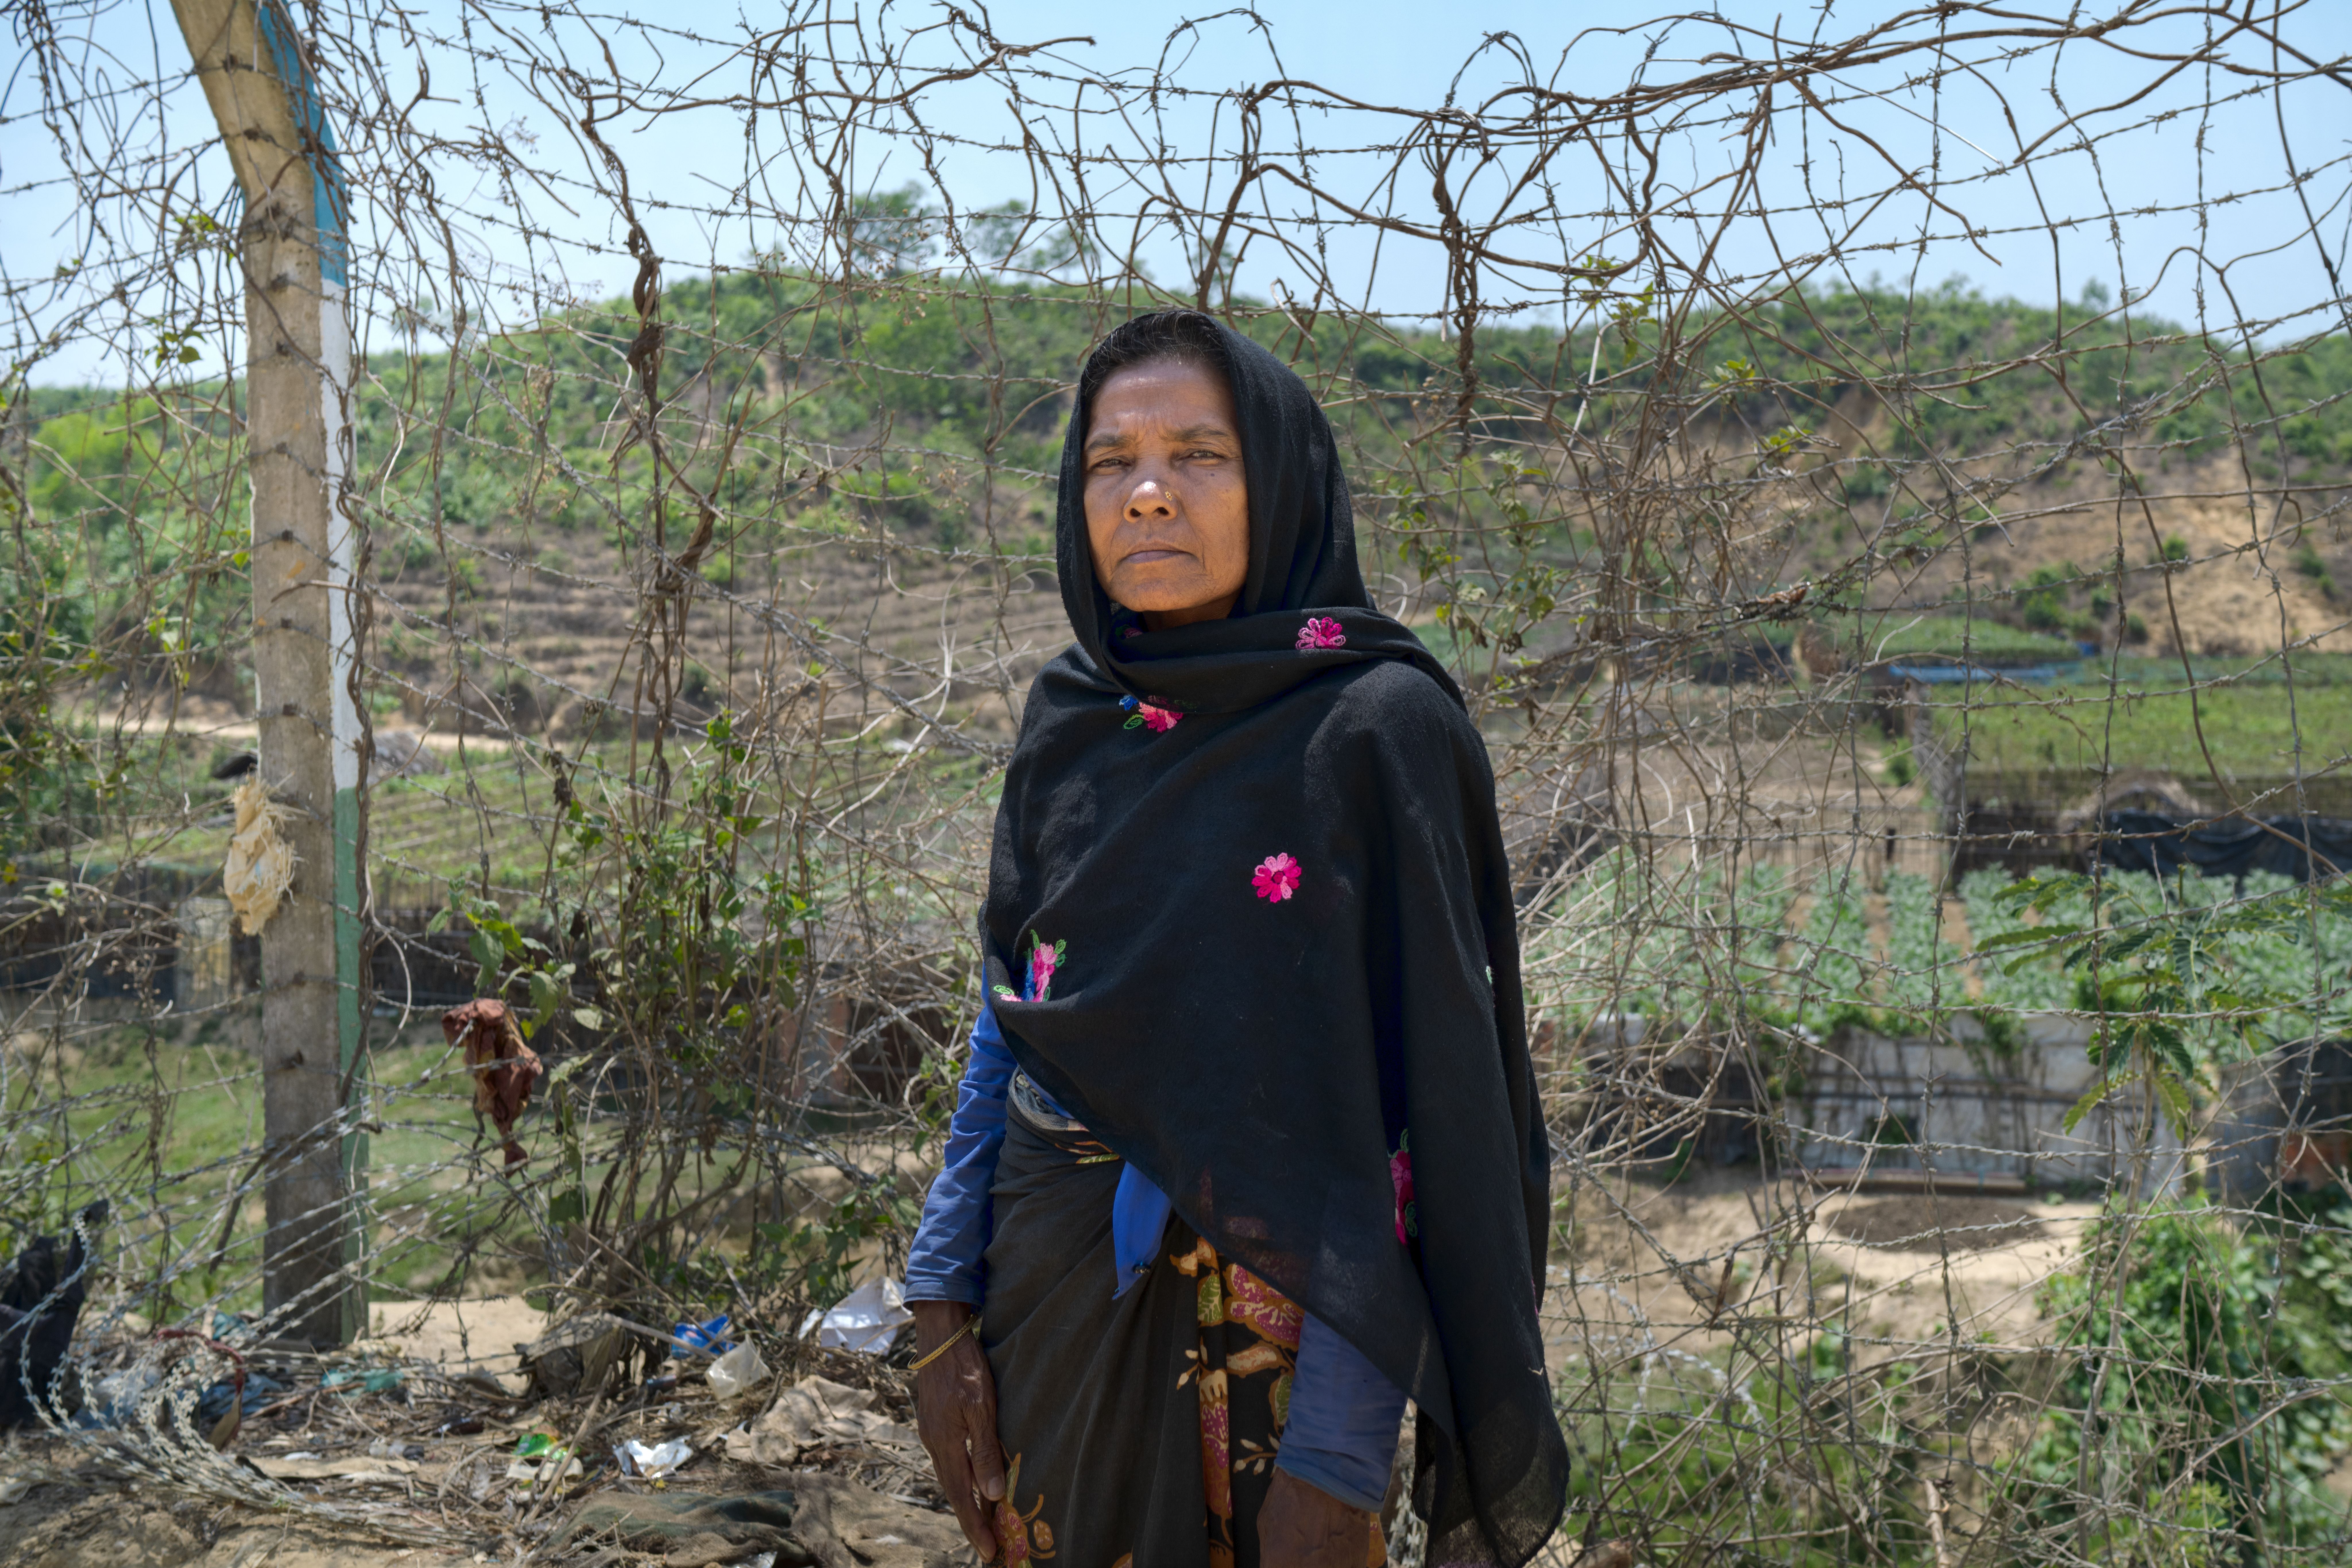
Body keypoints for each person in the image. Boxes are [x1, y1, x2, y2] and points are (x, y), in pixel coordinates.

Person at [903, 309, 1565, 1568]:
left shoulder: (1376, 732)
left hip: (1291, 1367)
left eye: (1198, 455)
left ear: (1283, 483)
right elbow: (1018, 1011)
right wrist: (940, 1298)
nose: (1147, 494)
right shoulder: (1074, 718)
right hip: (1049, 1316)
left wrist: (1335, 1454)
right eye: (1111, 461)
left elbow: (1418, 1125)